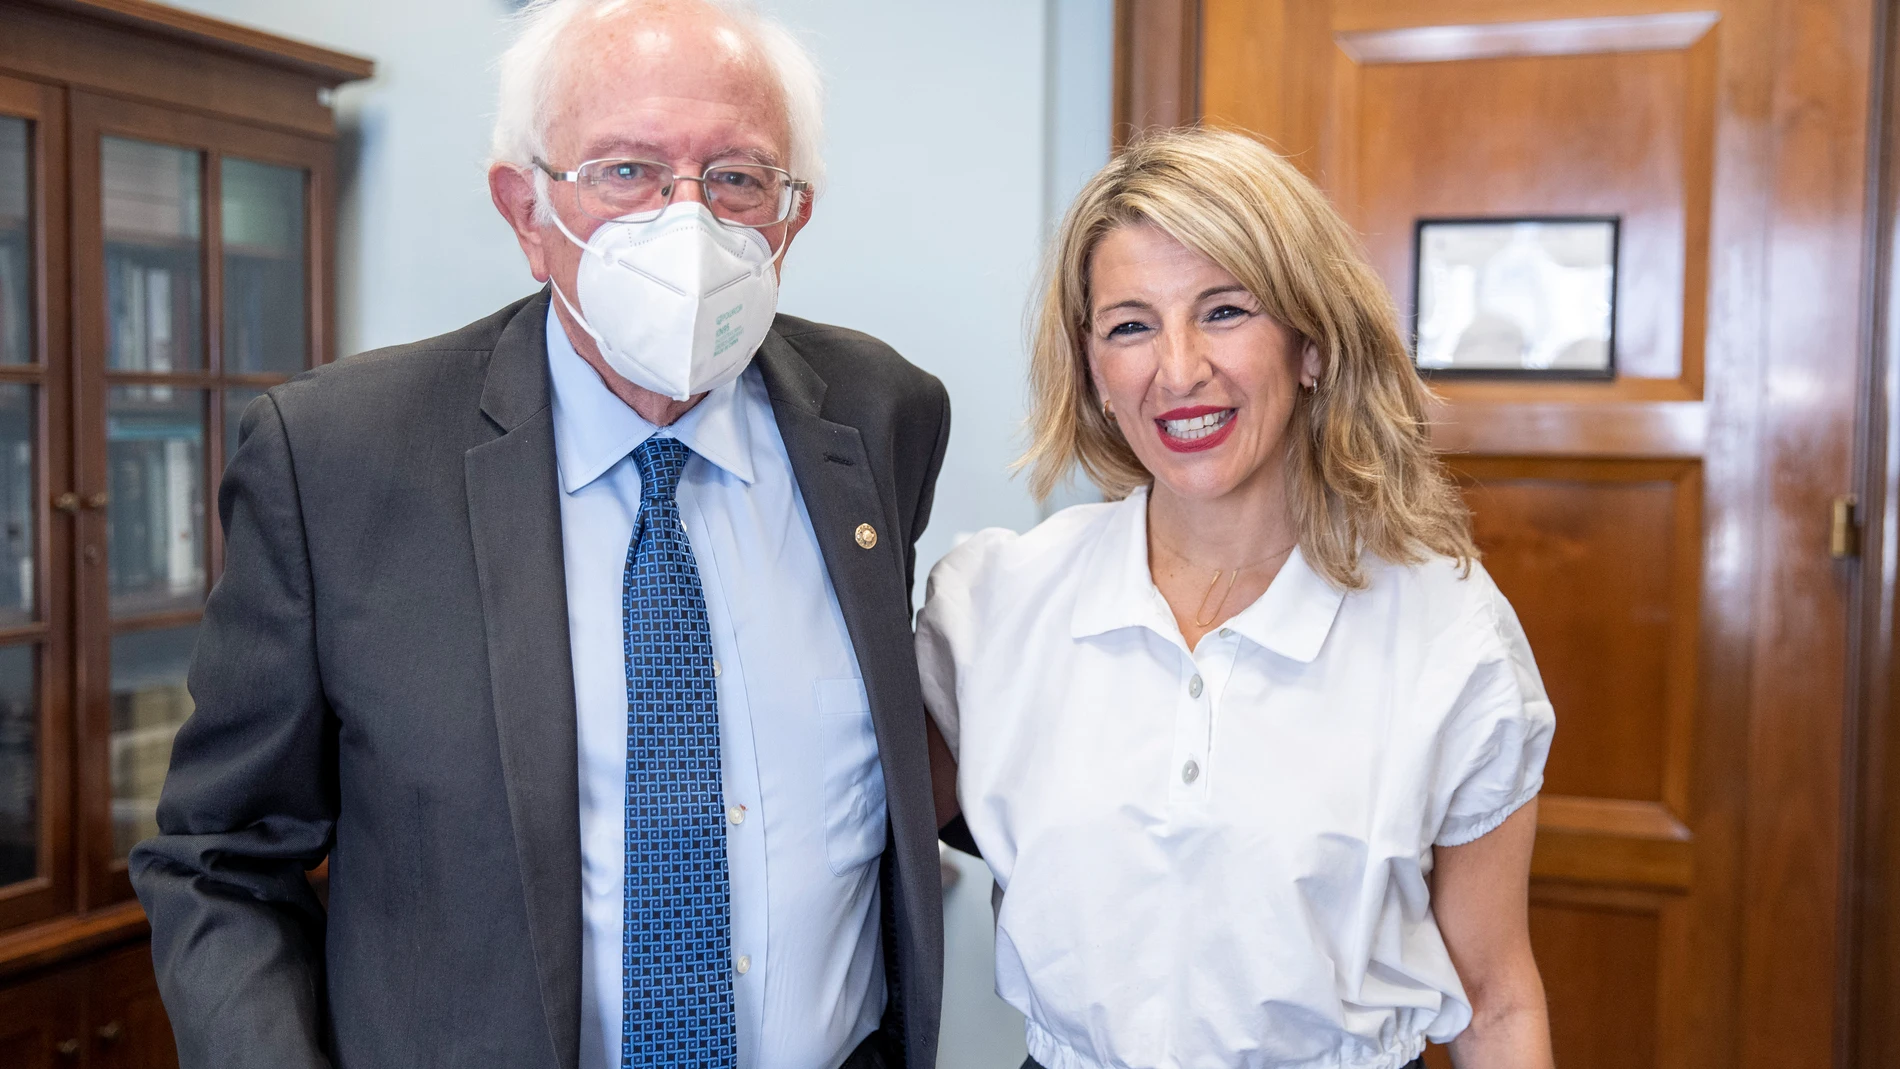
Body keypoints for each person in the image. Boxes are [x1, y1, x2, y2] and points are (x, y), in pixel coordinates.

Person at [129, 2, 951, 1067]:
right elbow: (222, 857)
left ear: (791, 214)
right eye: (627, 171)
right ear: (526, 210)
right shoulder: (337, 455)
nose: (687, 223)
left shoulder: (882, 415)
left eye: (737, 177)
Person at [916, 127, 1557, 1069]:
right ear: (1094, 369)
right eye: (1130, 325)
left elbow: (1497, 1002)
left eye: (1224, 311)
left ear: (1312, 344)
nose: (1178, 371)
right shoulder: (997, 604)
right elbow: (847, 857)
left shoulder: (1445, 630)